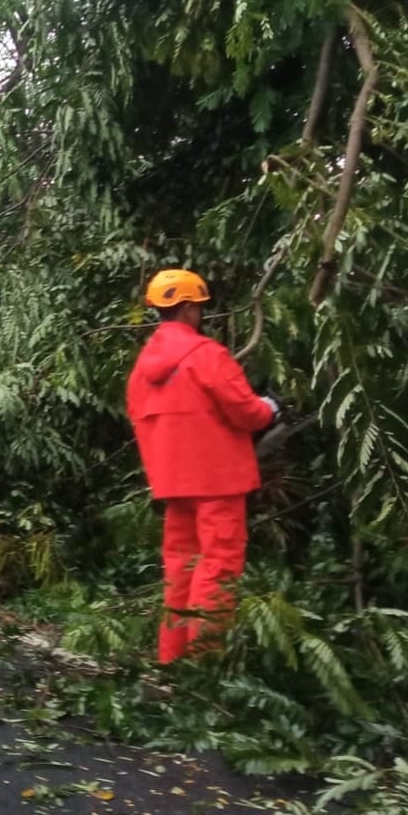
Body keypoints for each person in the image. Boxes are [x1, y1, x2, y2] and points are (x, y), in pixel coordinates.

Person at [126, 269, 278, 664]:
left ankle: (172, 659)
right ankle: (205, 663)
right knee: (218, 567)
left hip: (173, 484)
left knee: (181, 567)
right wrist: (270, 408)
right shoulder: (206, 355)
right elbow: (246, 412)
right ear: (190, 309)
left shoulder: (142, 369)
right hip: (218, 481)